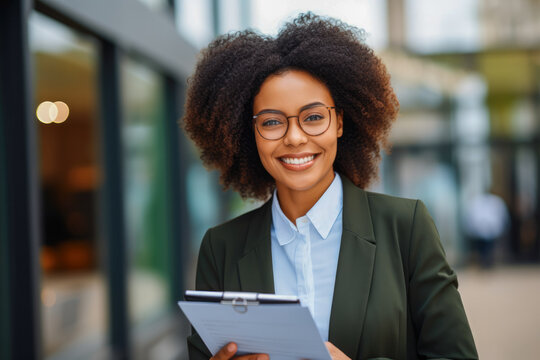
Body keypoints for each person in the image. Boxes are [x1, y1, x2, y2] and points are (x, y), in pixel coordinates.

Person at [182, 13, 478, 360]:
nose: (294, 138)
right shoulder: (222, 248)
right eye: (273, 122)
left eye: (313, 117)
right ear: (249, 134)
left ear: (339, 121)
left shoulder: (406, 228)